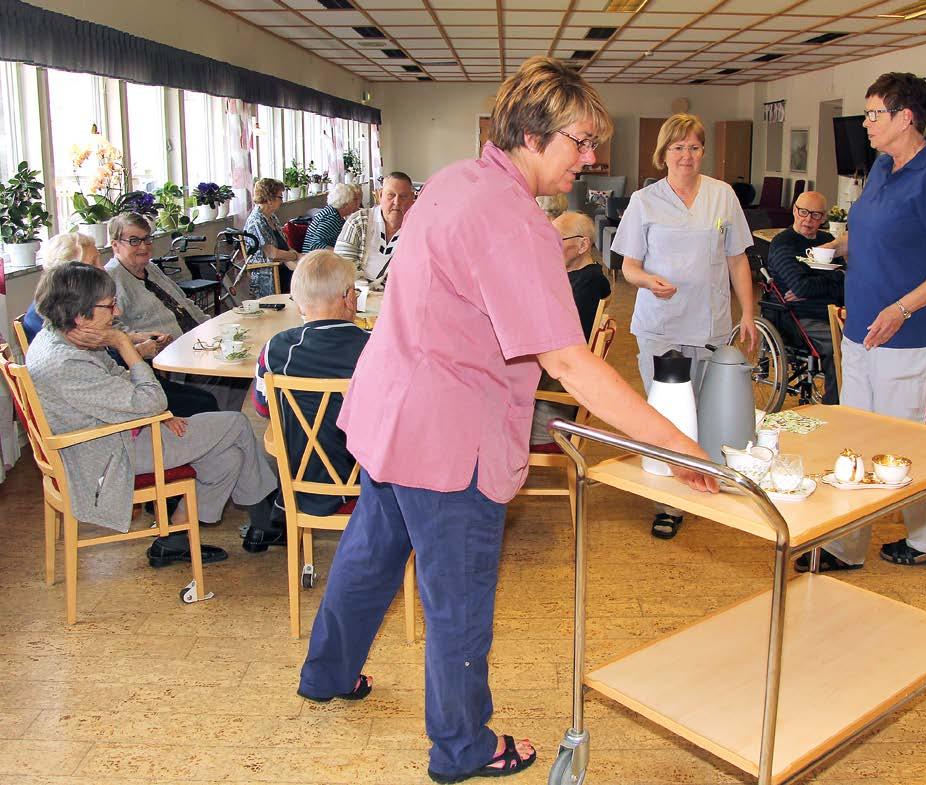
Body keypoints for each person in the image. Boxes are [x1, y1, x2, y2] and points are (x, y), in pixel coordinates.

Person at [296, 57, 716, 785]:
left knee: (369, 554)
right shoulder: (515, 222)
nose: (590, 159)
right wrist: (681, 444)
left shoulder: (456, 179)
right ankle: (462, 747)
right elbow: (574, 365)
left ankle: (327, 672)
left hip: (392, 412)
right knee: (457, 597)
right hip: (448, 436)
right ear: (530, 133)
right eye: (580, 142)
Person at [795, 72, 926, 573]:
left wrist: (901, 307)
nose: (867, 122)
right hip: (861, 333)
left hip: (904, 337)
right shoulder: (881, 166)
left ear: (906, 118)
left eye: (875, 113)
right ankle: (851, 545)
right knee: (858, 444)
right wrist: (831, 248)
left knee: (896, 447)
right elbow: (864, 234)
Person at [26, 263, 278, 567]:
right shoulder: (67, 364)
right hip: (106, 457)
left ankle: (175, 542)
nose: (116, 313)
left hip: (114, 435)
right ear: (81, 315)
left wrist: (157, 413)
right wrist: (124, 344)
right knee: (236, 425)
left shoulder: (61, 336)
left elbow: (120, 382)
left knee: (228, 459)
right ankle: (268, 522)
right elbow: (151, 397)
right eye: (110, 306)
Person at [611, 112, 754, 540]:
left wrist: (747, 312)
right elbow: (628, 266)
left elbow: (737, 258)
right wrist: (646, 280)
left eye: (693, 147)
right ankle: (667, 502)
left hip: (710, 322)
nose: (686, 155)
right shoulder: (645, 201)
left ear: (703, 152)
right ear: (663, 154)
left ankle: (703, 482)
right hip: (661, 326)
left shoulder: (722, 196)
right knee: (668, 415)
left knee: (705, 408)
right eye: (678, 147)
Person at [26, 228, 219, 418]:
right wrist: (133, 348)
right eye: (93, 263)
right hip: (118, 399)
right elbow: (96, 376)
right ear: (72, 272)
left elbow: (104, 353)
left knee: (206, 399)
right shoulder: (54, 321)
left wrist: (132, 338)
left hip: (123, 383)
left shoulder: (66, 309)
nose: (102, 269)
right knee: (205, 403)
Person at [250, 250, 369, 552]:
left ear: (299, 302)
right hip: (369, 485)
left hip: (301, 483)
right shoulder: (375, 348)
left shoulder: (275, 350)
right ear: (349, 297)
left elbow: (264, 409)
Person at [104, 213, 246, 413]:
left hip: (197, 340)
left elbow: (184, 302)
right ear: (115, 245)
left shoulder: (151, 268)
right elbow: (113, 329)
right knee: (229, 373)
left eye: (147, 239)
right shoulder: (110, 278)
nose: (144, 247)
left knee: (242, 366)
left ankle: (225, 419)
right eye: (134, 241)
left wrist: (212, 326)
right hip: (170, 354)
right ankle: (215, 420)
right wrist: (144, 341)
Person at [530, 211, 612, 445]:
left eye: (556, 240)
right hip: (553, 386)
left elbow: (561, 345)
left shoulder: (589, 284)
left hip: (553, 405)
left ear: (583, 244)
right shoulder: (575, 277)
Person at [765, 190, 844, 404]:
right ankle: (834, 409)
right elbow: (800, 286)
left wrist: (814, 285)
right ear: (794, 211)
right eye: (803, 212)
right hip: (796, 317)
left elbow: (846, 282)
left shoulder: (828, 242)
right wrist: (828, 281)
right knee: (839, 347)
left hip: (831, 312)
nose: (808, 219)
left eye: (816, 215)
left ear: (824, 218)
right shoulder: (783, 244)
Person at [334, 171, 414, 286]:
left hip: (398, 296)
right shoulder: (359, 221)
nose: (397, 202)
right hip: (357, 293)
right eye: (391, 195)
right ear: (380, 196)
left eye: (403, 196)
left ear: (412, 199)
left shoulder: (418, 230)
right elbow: (342, 267)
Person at [243, 178, 301, 297]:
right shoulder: (256, 222)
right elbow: (272, 254)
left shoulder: (271, 217)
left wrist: (296, 256)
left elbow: (285, 245)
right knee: (307, 281)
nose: (282, 201)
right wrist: (295, 256)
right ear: (269, 200)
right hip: (269, 272)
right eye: (280, 197)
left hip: (283, 265)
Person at [302, 183, 361, 253]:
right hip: (315, 259)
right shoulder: (331, 218)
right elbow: (315, 245)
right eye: (355, 200)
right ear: (345, 203)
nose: (358, 203)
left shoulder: (335, 213)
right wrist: (341, 253)